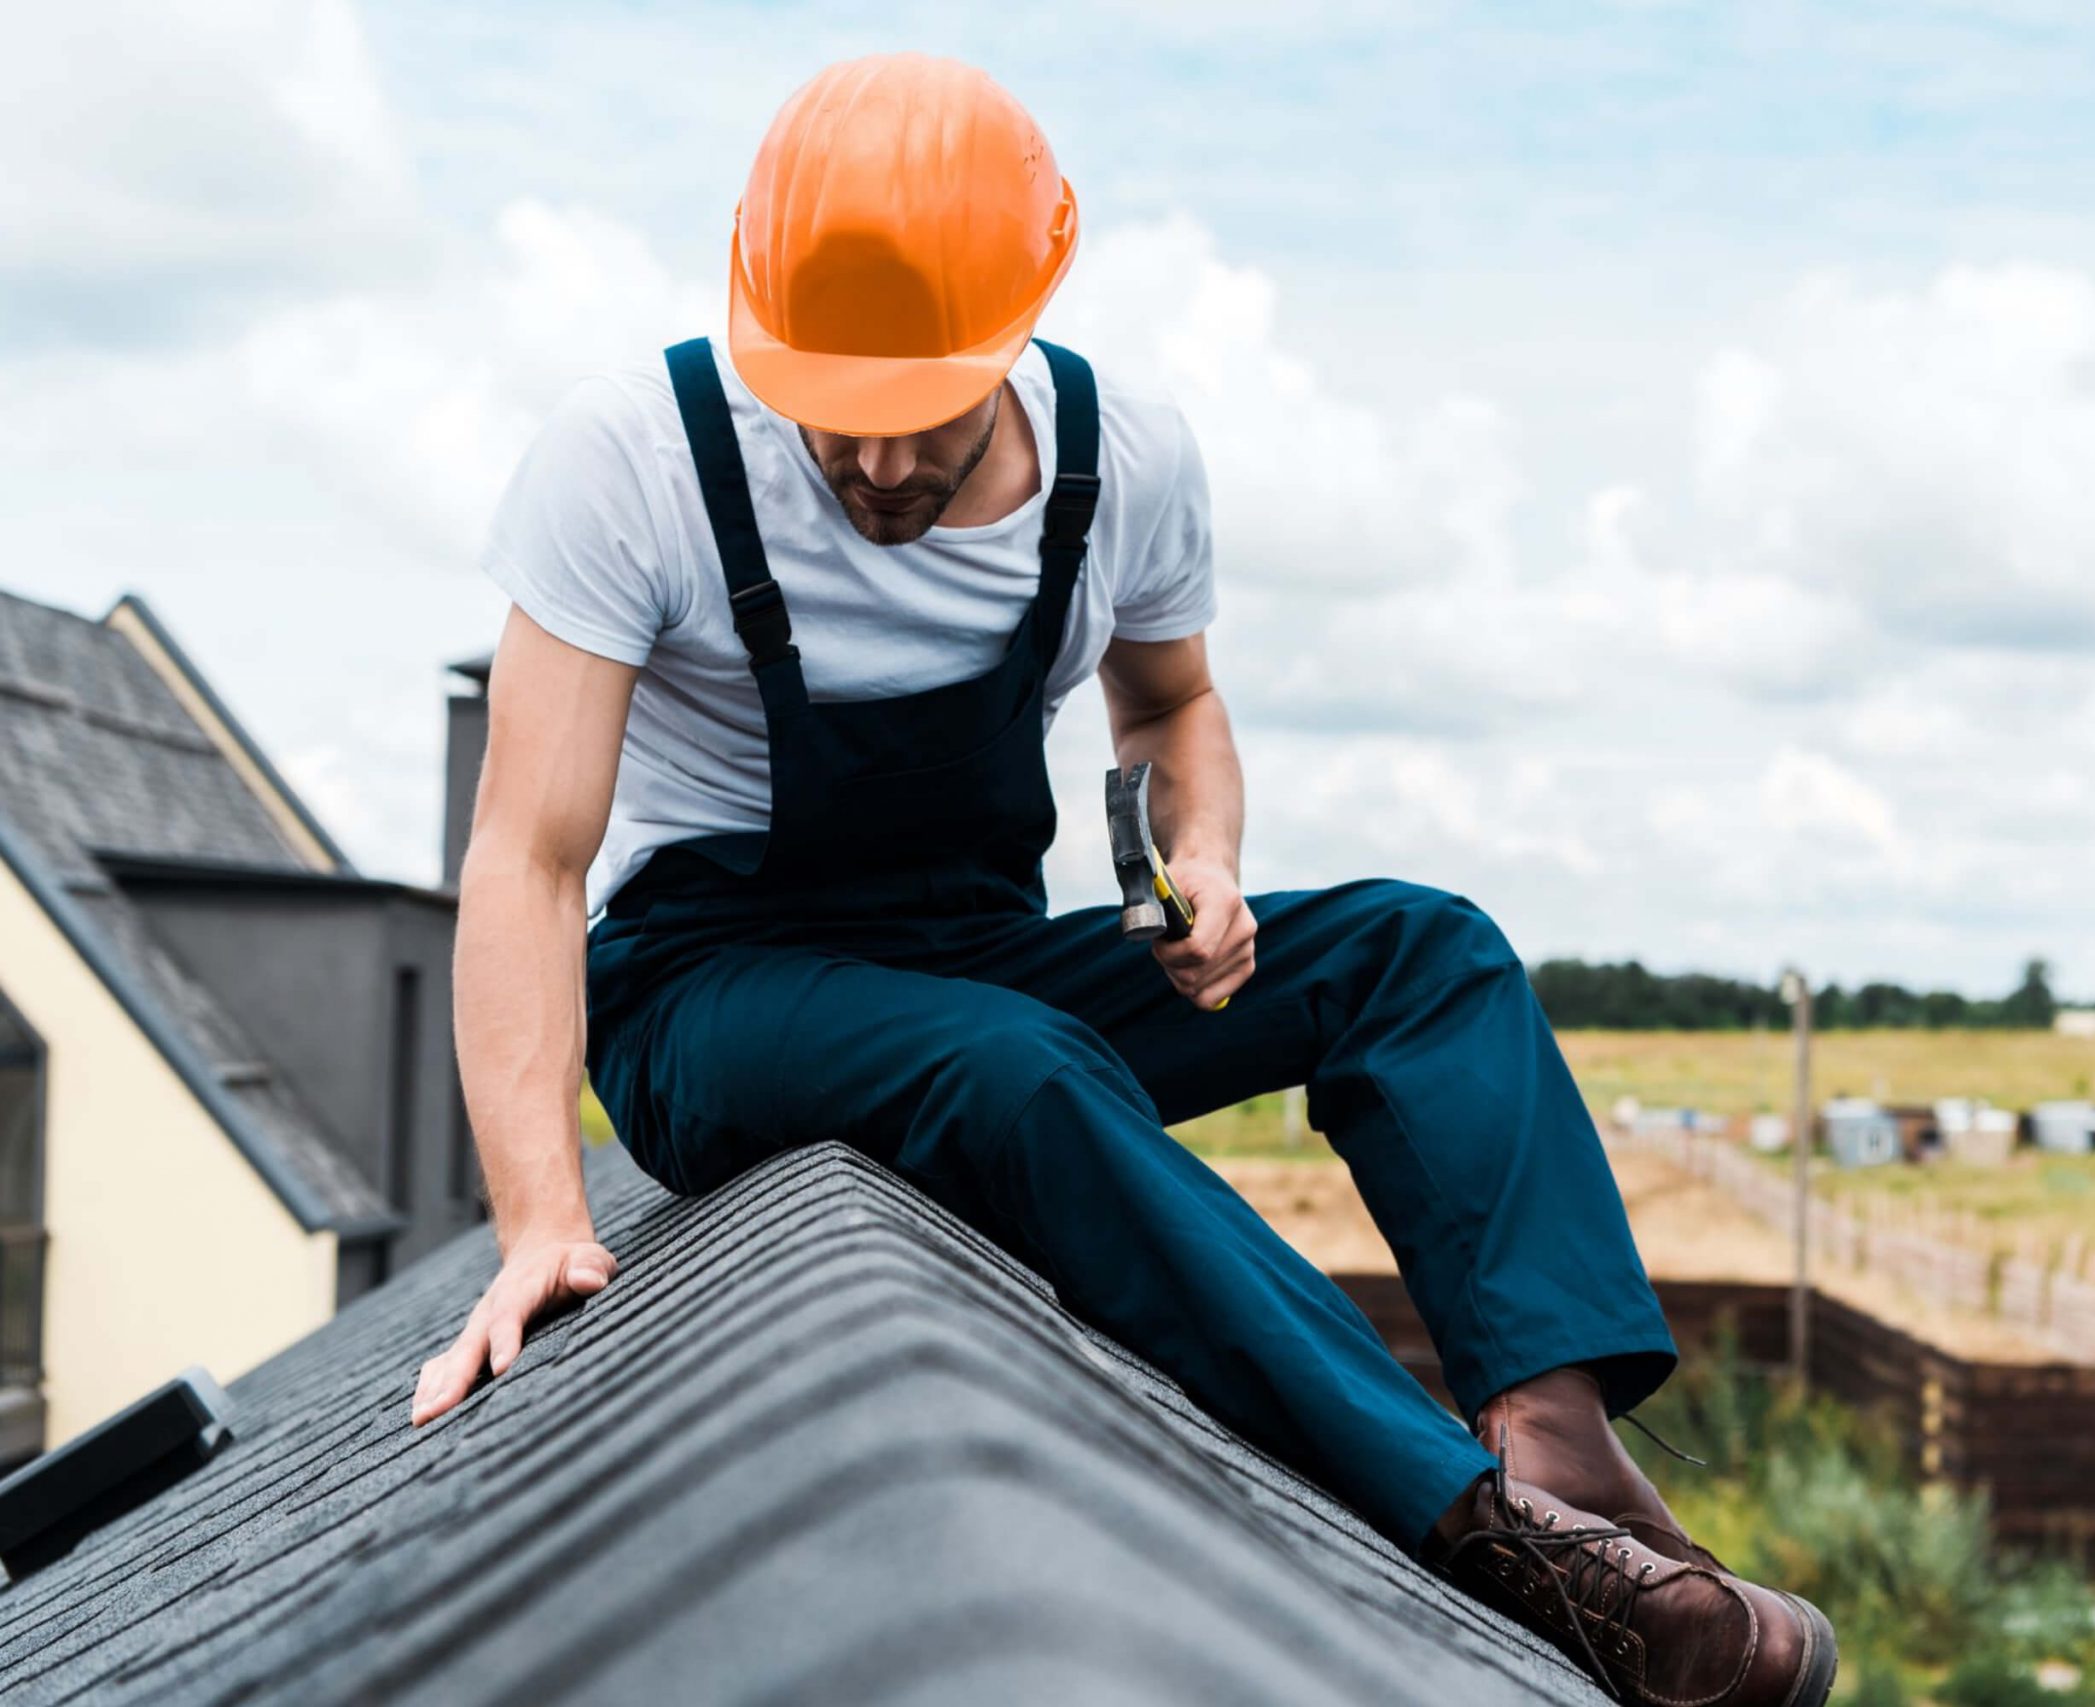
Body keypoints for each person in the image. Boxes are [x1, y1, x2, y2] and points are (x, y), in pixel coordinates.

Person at [408, 54, 1834, 1705]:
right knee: (1013, 1070)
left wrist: (1203, 862)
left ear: (1022, 323)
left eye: (920, 416)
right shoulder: (630, 462)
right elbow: (527, 854)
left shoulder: (1125, 461)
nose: (874, 468)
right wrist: (539, 1218)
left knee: (1422, 955)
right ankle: (1487, 1536)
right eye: (836, 418)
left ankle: (1555, 1439)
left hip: (973, 956)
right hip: (709, 992)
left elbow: (1169, 706)